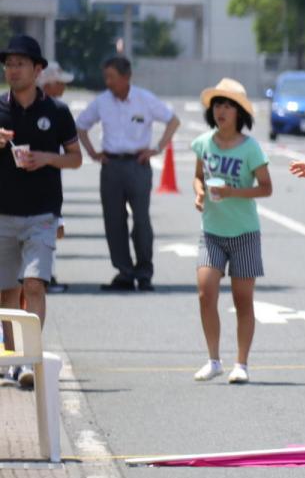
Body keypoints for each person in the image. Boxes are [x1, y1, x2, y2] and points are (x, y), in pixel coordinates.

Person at [0, 35, 82, 388]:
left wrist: (47, 158)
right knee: (5, 293)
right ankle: (11, 359)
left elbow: (76, 158)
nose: (12, 69)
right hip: (3, 215)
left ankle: (28, 360)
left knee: (33, 285)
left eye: (20, 64)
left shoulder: (57, 112)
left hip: (42, 216)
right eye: (9, 64)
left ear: (37, 70)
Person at [189, 79, 272, 385]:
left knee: (242, 300)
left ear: (239, 112)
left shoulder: (250, 148)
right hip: (211, 231)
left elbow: (266, 188)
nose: (221, 111)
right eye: (217, 105)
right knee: (205, 292)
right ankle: (213, 360)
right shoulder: (203, 143)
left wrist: (232, 192)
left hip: (244, 233)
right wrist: (199, 193)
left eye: (227, 106)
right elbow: (198, 177)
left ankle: (242, 363)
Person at [76, 55, 180, 291]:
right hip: (111, 166)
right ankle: (124, 271)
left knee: (141, 220)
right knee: (113, 220)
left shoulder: (145, 99)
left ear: (126, 77)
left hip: (137, 165)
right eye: (106, 77)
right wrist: (92, 153)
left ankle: (144, 272)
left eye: (112, 77)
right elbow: (81, 125)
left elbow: (173, 121)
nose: (108, 82)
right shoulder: (102, 102)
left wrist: (157, 148)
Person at [37, 61, 73, 294]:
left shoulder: (57, 110)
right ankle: (44, 277)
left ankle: (45, 276)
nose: (63, 87)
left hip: (50, 182)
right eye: (59, 83)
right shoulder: (43, 110)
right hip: (39, 186)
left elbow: (73, 156)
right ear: (47, 85)